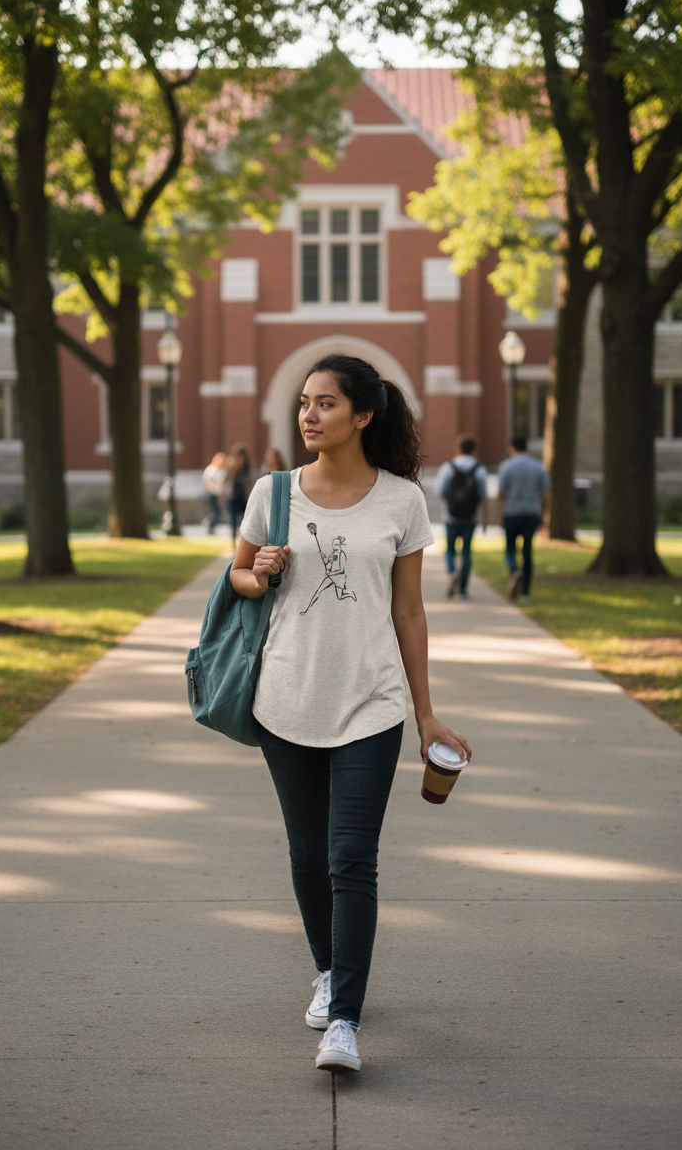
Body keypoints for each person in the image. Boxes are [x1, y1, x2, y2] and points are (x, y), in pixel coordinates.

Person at [230, 354, 470, 1074]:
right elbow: (237, 575)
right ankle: (329, 969)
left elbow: (410, 611)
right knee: (307, 856)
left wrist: (425, 715)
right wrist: (259, 573)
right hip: (286, 699)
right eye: (305, 402)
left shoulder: (401, 501)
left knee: (350, 859)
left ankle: (345, 1021)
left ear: (363, 416)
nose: (309, 414)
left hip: (371, 704)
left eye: (326, 403)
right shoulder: (272, 493)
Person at [434, 435, 488, 600]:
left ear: (457, 448)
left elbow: (440, 492)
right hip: (470, 518)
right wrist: (484, 519)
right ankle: (463, 589)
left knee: (450, 549)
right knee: (466, 551)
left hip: (451, 517)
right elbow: (483, 495)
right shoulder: (479, 469)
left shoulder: (448, 467)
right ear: (473, 450)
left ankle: (452, 572)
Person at [497, 435, 550, 602]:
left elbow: (502, 493)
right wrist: (544, 513)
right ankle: (525, 593)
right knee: (528, 552)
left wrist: (501, 512)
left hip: (512, 513)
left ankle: (515, 572)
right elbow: (545, 494)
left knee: (510, 551)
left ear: (511, 448)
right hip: (531, 513)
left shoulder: (506, 466)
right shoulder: (538, 467)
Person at [225, 443, 252, 542]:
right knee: (233, 522)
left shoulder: (247, 469)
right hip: (233, 498)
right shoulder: (231, 468)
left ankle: (244, 542)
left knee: (246, 522)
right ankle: (233, 543)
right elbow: (227, 482)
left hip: (243, 498)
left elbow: (248, 484)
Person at [202, 451, 228, 534]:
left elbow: (224, 485)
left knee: (218, 512)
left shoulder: (223, 471)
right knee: (214, 511)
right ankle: (209, 525)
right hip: (211, 494)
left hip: (219, 495)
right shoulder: (211, 470)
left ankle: (210, 525)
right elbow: (208, 482)